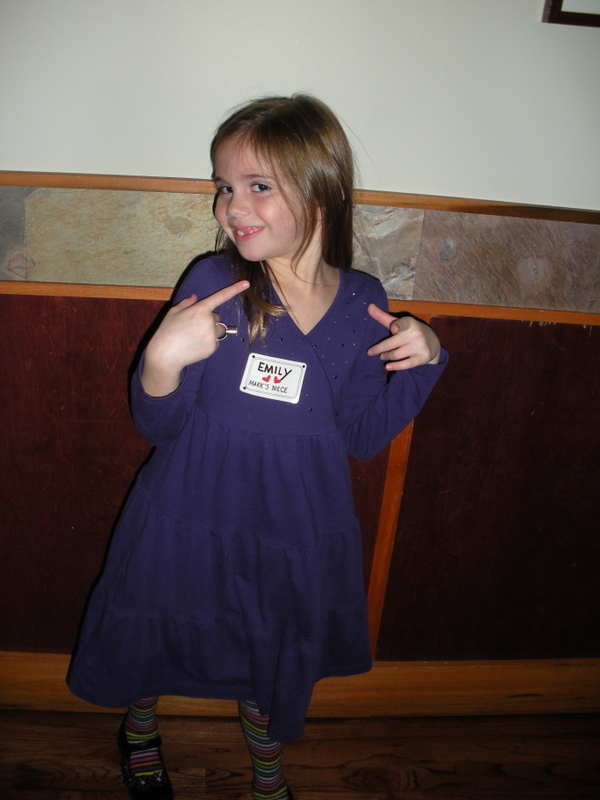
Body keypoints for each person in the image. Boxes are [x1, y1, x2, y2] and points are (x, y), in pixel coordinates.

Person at [68, 94, 447, 800]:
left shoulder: (362, 300)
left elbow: (362, 435)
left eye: (258, 185)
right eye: (223, 186)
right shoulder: (216, 284)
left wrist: (422, 359)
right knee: (157, 626)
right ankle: (140, 729)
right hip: (187, 512)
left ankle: (267, 765)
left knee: (267, 645)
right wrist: (160, 360)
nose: (230, 207)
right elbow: (159, 428)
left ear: (325, 190)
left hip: (290, 529)